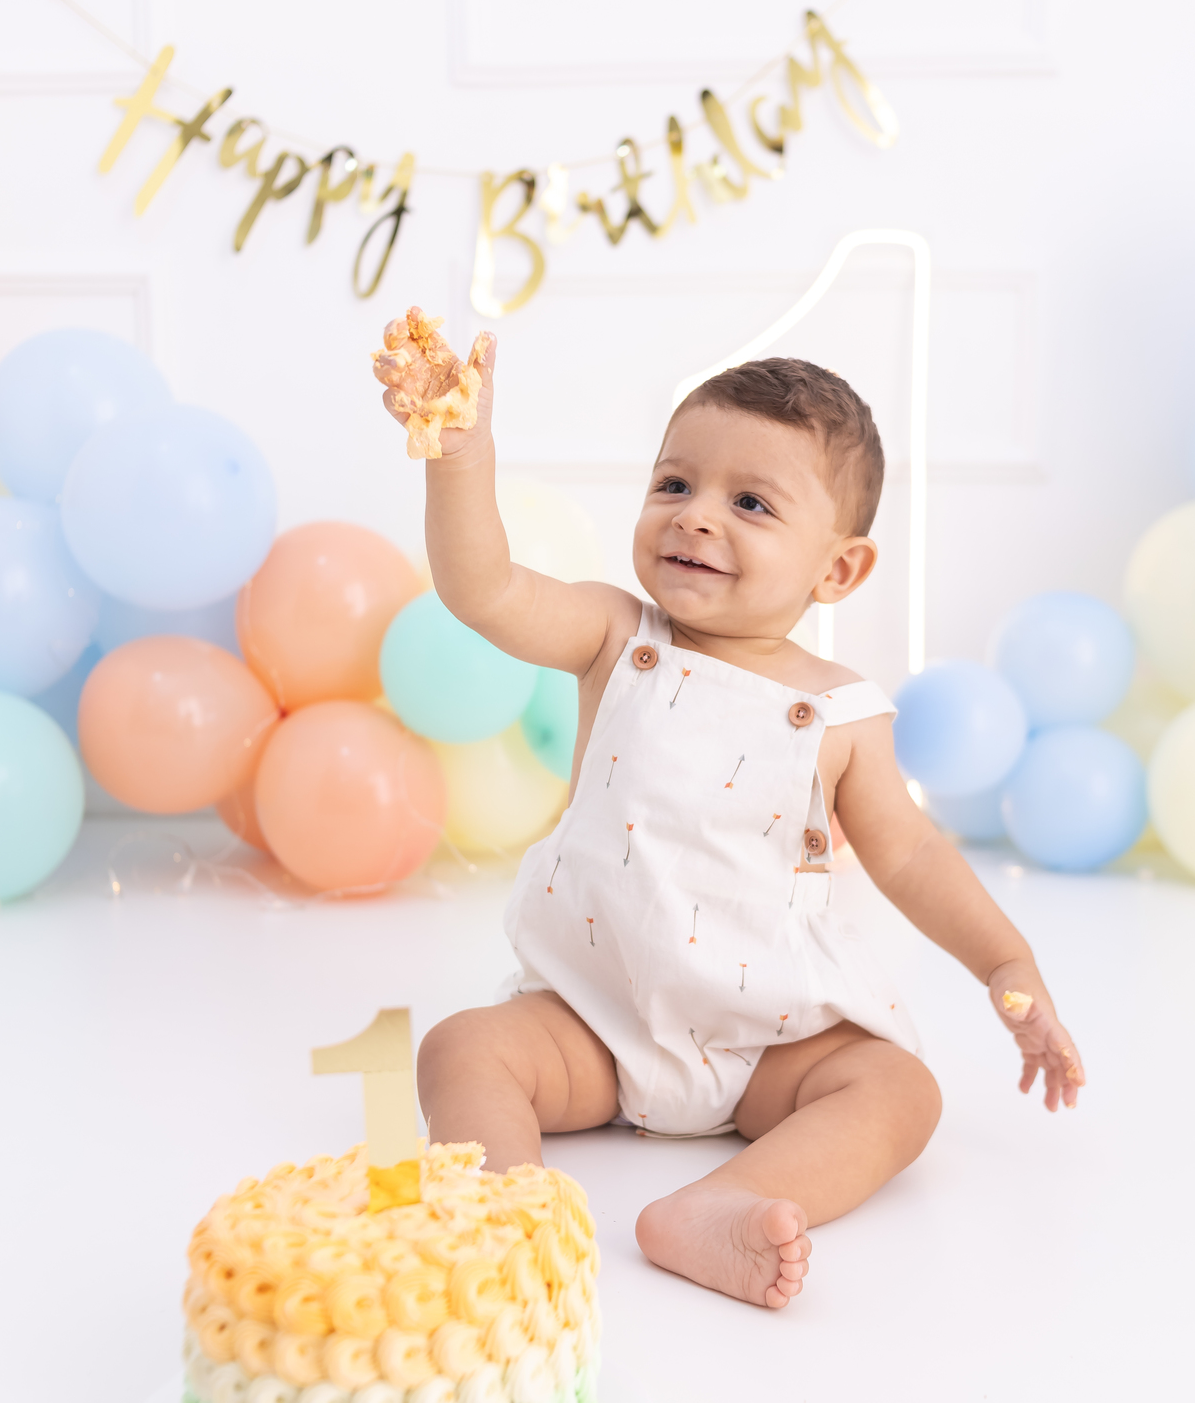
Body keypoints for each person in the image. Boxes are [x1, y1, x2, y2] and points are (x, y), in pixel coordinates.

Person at [383, 335, 1084, 1310]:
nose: (695, 517)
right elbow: (483, 589)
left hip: (769, 1039)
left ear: (838, 569)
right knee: (461, 1048)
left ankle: (723, 1206)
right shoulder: (614, 636)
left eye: (749, 503)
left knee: (899, 1091)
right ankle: (503, 1213)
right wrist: (458, 452)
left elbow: (913, 854)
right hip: (593, 1018)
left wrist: (1007, 964)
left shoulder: (842, 711)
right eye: (674, 484)